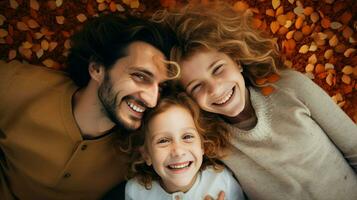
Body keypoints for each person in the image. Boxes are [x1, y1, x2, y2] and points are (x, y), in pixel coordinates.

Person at [154, 2, 357, 200]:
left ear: (238, 61)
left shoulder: (291, 87)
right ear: (189, 99)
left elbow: (354, 148)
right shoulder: (208, 141)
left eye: (218, 69)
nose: (215, 89)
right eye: (197, 86)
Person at [0, 14, 178, 199]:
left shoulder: (140, 150)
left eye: (160, 87)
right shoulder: (18, 86)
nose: (152, 100)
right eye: (140, 76)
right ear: (97, 69)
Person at [124, 92, 245, 200]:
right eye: (163, 141)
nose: (178, 151)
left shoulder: (221, 181)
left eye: (187, 137)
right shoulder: (136, 192)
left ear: (202, 145)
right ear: (146, 154)